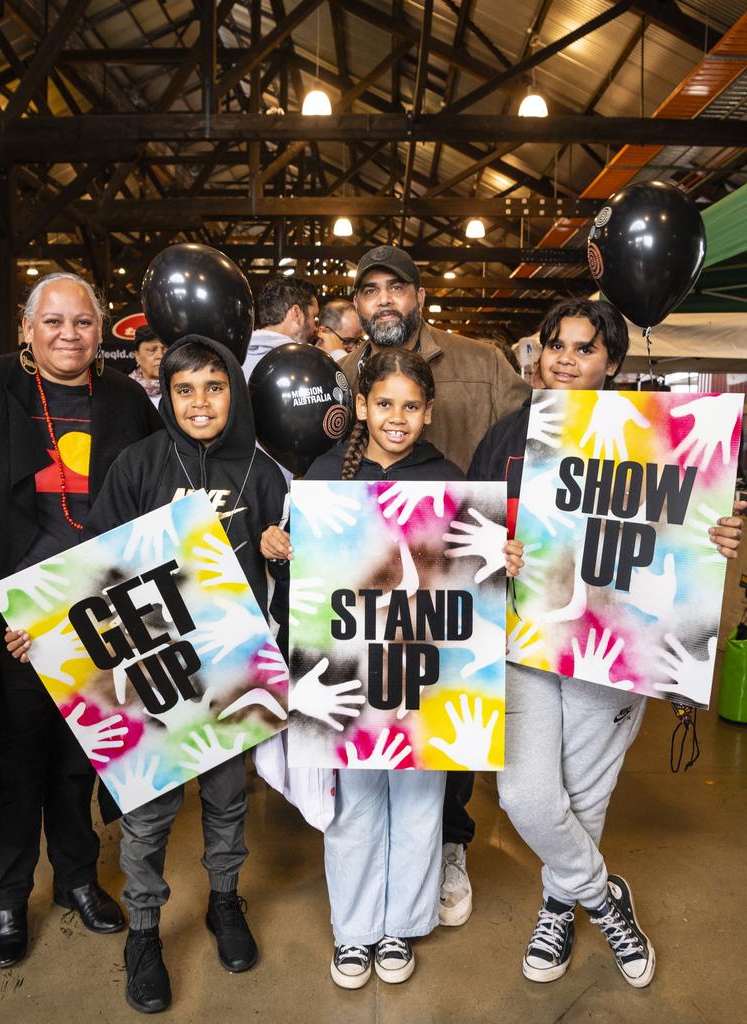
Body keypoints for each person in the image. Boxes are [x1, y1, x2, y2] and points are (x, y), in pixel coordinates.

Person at [469, 298, 745, 989]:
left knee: (584, 796)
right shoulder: (507, 434)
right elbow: (467, 531)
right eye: (554, 345)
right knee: (526, 796)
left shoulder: (659, 436)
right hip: (523, 637)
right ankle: (602, 896)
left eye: (584, 348)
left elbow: (686, 528)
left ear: (611, 362)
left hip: (613, 643)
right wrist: (488, 552)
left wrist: (719, 539)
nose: (564, 359)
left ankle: (558, 908)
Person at [260, 349, 523, 989]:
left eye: (411, 406)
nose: (397, 417)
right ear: (361, 408)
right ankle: (353, 934)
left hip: (425, 672)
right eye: (384, 404)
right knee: (352, 806)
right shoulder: (321, 476)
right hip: (349, 669)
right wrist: (280, 550)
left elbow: (470, 584)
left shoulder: (451, 479)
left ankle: (401, 928)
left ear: (429, 412)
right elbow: (308, 590)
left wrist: (502, 561)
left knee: (417, 802)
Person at [82, 335, 286, 1013]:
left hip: (230, 670)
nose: (200, 403)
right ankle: (144, 934)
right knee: (146, 817)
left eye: (215, 386)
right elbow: (92, 571)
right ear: (166, 396)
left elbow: (293, 576)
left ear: (236, 390)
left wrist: (277, 552)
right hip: (153, 670)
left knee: (228, 801)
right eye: (185, 389)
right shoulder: (136, 465)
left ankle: (225, 902)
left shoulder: (264, 473)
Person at [340, 244, 531, 928]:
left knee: (444, 727)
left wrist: (517, 535)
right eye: (371, 290)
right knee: (373, 730)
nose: (385, 299)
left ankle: (451, 847)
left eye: (398, 287)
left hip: (459, 581)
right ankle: (373, 881)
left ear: (419, 297)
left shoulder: (484, 363)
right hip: (364, 588)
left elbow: (539, 444)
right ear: (357, 305)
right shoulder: (338, 373)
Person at [0, 272, 162, 969]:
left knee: (81, 761)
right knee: (17, 763)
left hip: (96, 612)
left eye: (82, 322)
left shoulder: (124, 402)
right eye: (52, 322)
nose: (68, 335)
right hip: (15, 623)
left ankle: (78, 881)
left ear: (99, 329)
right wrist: (3, 606)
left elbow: (151, 504)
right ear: (27, 328)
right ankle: (7, 895)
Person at [241, 277, 319, 380]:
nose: (316, 328)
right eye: (314, 317)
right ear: (296, 313)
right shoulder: (303, 363)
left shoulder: (235, 356)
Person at [129, 324, 167, 407]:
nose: (160, 355)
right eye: (152, 350)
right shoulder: (125, 390)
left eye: (165, 349)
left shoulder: (184, 388)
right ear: (137, 356)